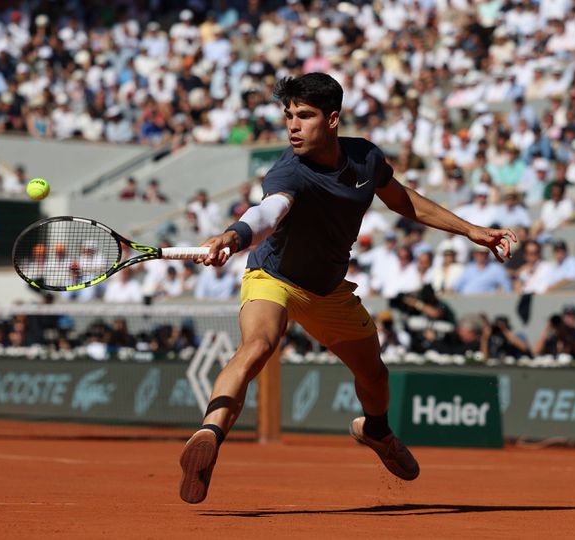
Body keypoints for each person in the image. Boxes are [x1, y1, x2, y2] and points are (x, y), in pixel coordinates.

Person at [178, 73, 517, 504]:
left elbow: (402, 200)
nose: (293, 126)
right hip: (274, 277)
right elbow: (268, 213)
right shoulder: (289, 171)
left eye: (304, 116)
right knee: (257, 346)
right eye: (288, 116)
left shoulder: (365, 158)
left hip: (328, 290)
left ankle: (376, 432)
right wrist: (234, 235)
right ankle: (208, 436)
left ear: (333, 119)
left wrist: (470, 229)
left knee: (374, 373)